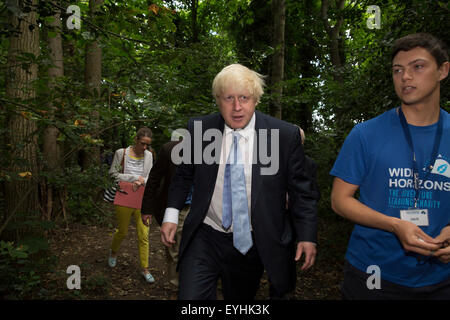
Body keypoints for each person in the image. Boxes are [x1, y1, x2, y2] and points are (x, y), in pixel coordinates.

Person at [160, 63, 318, 300]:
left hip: (251, 243)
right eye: (229, 98)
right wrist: (171, 214)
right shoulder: (200, 130)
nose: (237, 107)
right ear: (217, 99)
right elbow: (184, 175)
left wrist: (307, 235)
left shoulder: (283, 136)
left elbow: (301, 192)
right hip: (206, 235)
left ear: (256, 99)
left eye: (244, 97)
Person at [330, 33, 450, 299]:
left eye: (417, 66)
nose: (405, 76)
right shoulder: (366, 134)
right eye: (398, 70)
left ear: (443, 70)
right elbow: (340, 200)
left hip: (442, 280)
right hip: (373, 275)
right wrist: (394, 225)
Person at [141, 134, 191, 288]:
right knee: (174, 249)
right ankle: (176, 287)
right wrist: (146, 209)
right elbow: (154, 178)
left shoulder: (215, 151)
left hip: (205, 210)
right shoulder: (169, 150)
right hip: (177, 208)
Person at [107, 127, 155, 283]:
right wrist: (133, 178)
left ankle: (145, 268)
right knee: (122, 231)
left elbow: (150, 177)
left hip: (143, 198)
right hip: (125, 195)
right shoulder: (121, 153)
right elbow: (113, 174)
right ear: (136, 139)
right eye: (142, 143)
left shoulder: (148, 155)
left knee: (144, 234)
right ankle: (113, 252)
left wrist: (142, 181)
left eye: (147, 145)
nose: (145, 148)